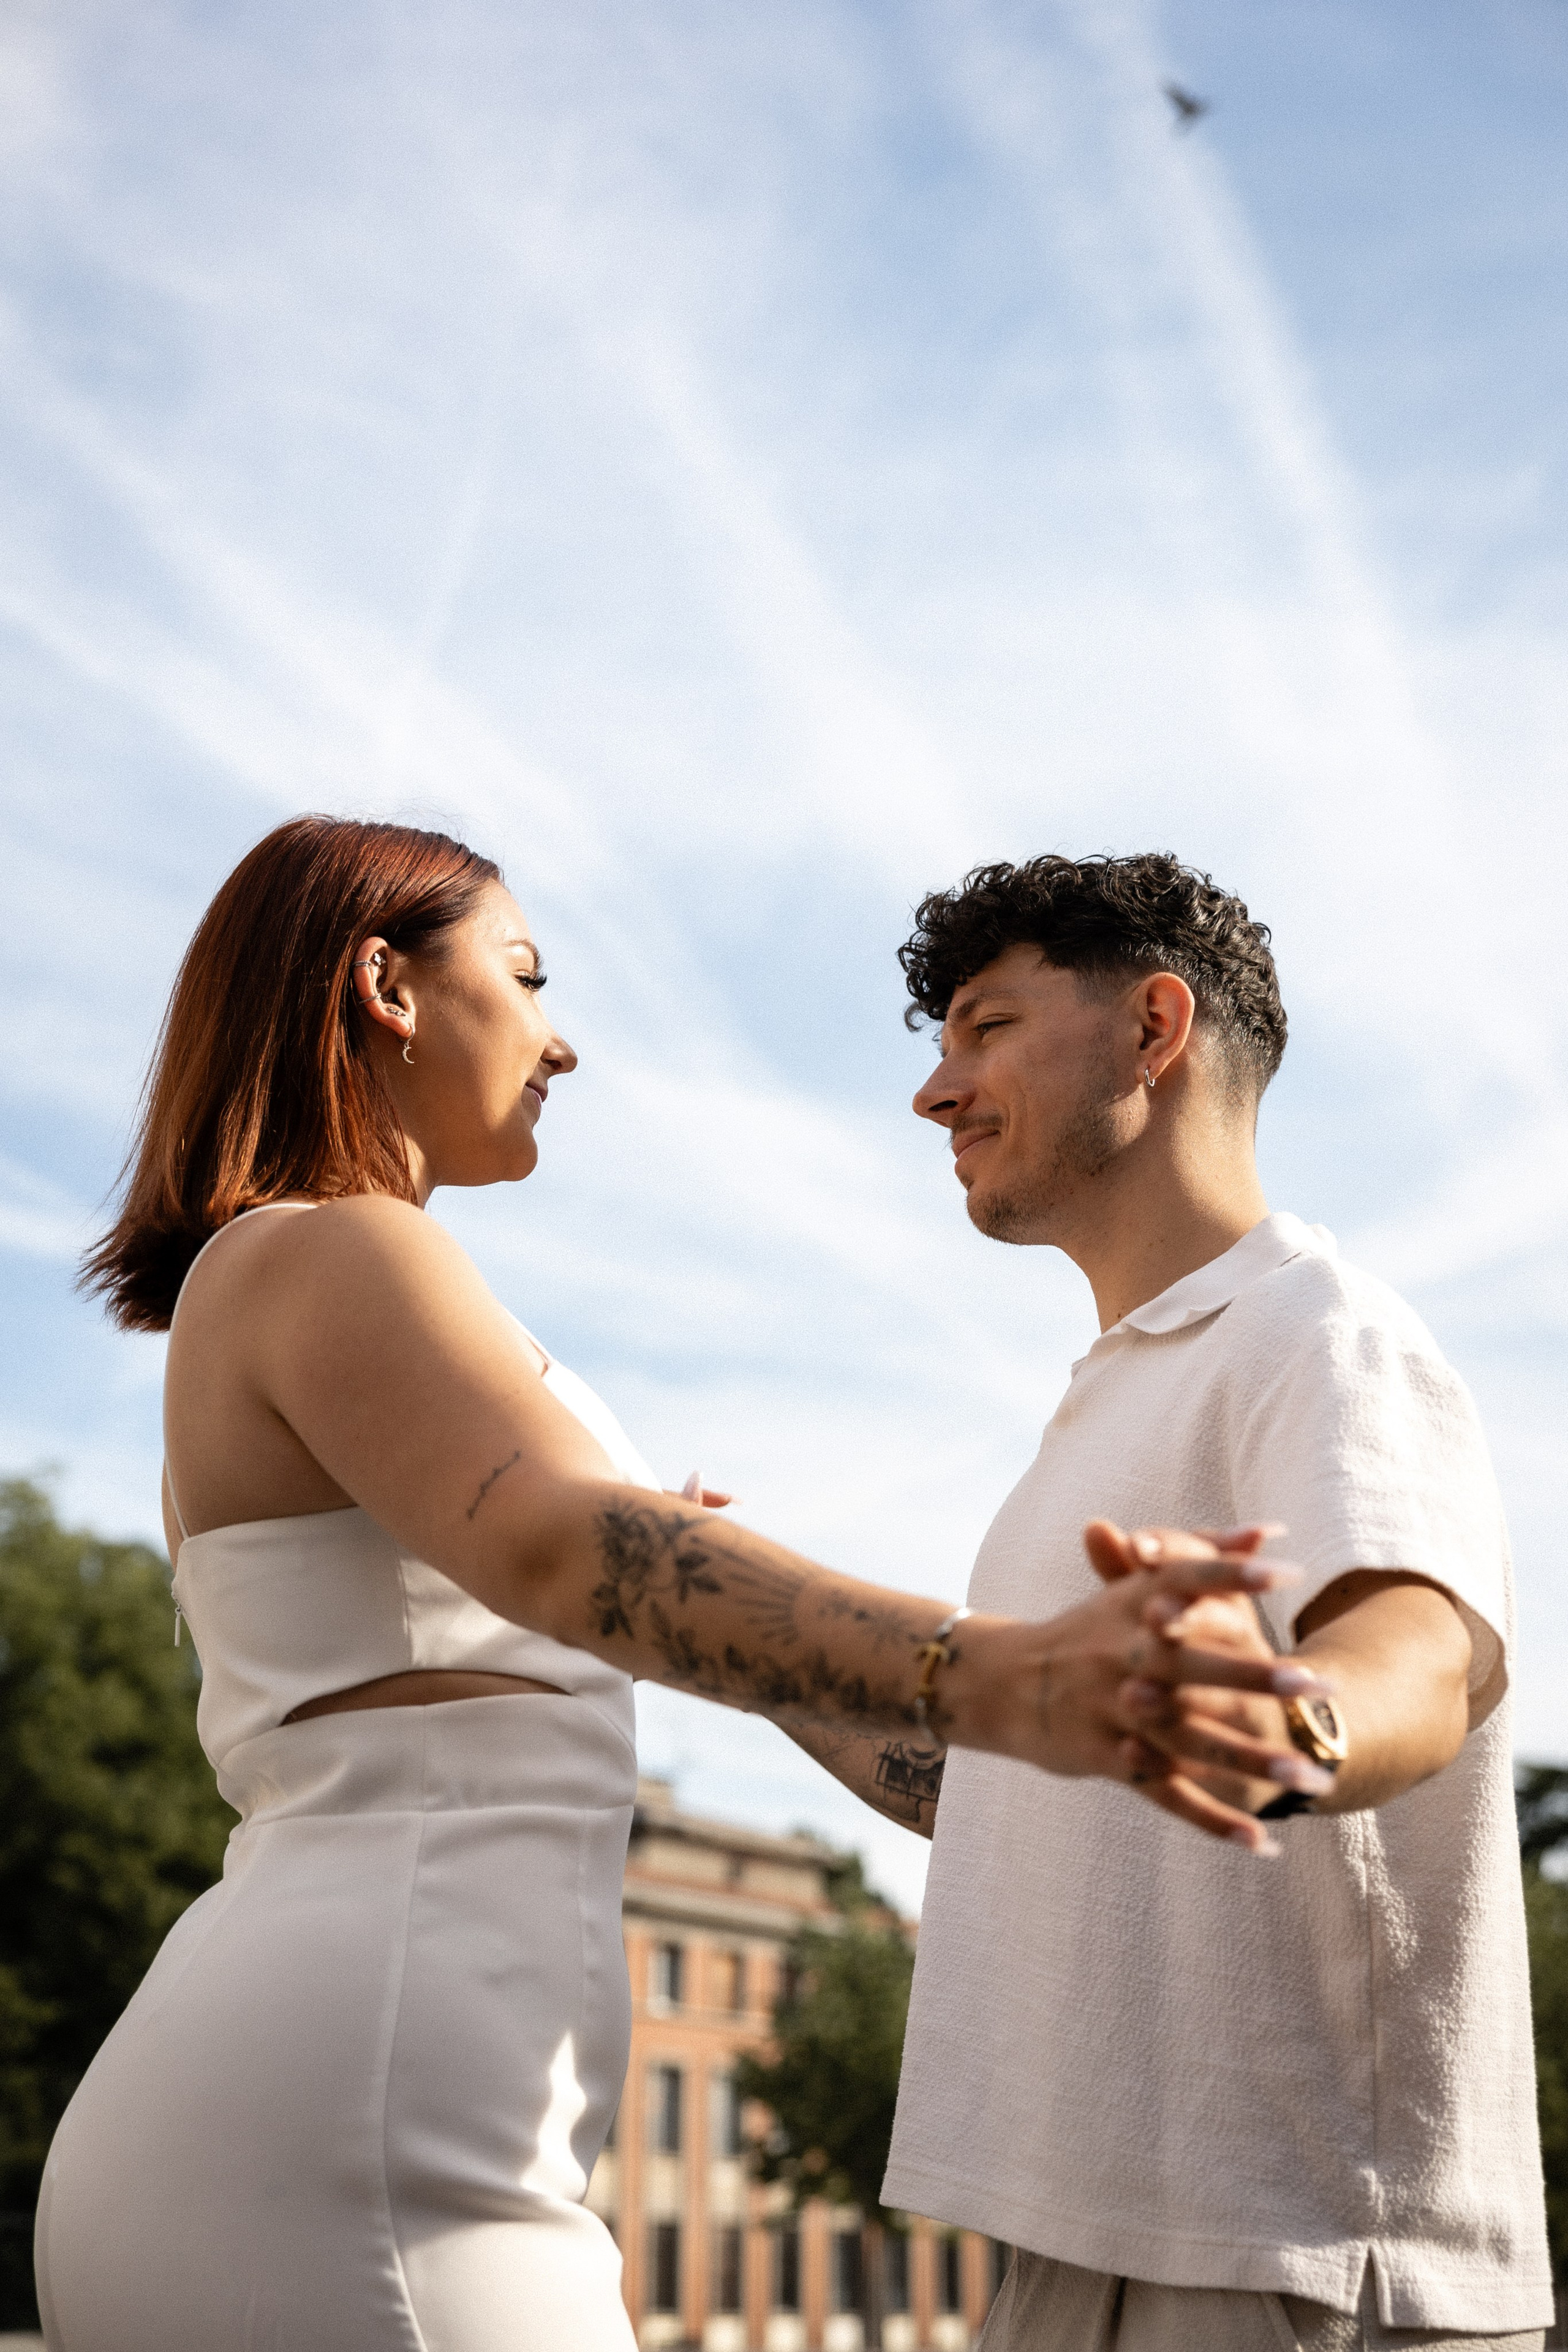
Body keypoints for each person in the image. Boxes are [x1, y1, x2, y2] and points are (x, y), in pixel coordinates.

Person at [34, 818, 1314, 2352]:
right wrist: (1019, 1674)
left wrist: (1126, 1749)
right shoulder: (332, 1251)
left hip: (374, 2120)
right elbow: (568, 1552)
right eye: (522, 974)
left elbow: (638, 1599)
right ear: (383, 984)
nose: (556, 1040)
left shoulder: (337, 1295)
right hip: (358, 2146)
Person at [832, 852, 1551, 2351]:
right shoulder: (1115, 1402)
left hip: (1286, 2260)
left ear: (1152, 1029)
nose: (935, 1089)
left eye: (984, 1027)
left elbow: (1412, 1660)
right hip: (1078, 2243)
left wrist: (1283, 1716)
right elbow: (1003, 1788)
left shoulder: (1315, 1332)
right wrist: (730, 1641)